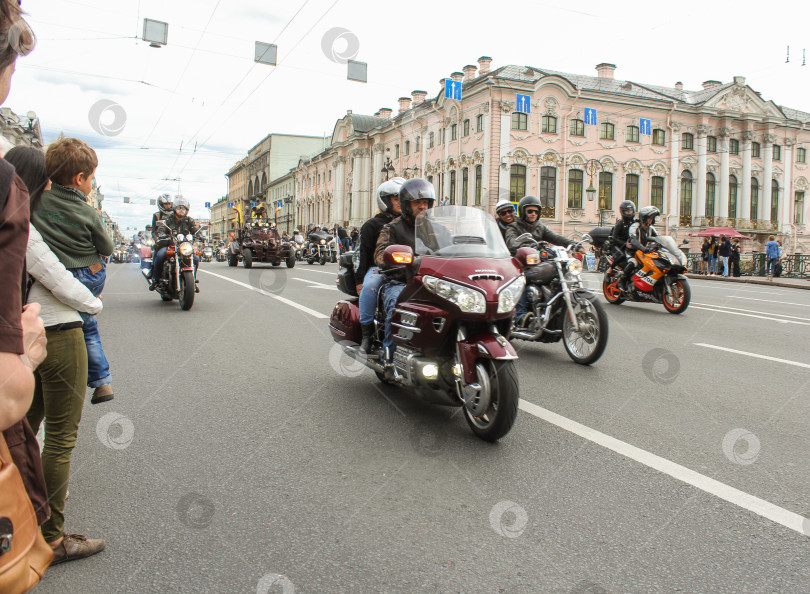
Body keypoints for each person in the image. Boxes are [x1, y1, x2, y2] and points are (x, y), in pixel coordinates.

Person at [14, 145, 107, 564]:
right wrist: (94, 304)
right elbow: (54, 275)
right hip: (57, 330)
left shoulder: (26, 215)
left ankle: (15, 519)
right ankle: (51, 537)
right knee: (60, 439)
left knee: (20, 431)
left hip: (20, 333)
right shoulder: (23, 223)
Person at [31, 137, 116, 405]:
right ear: (80, 179)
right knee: (88, 327)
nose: (92, 184)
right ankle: (102, 383)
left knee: (83, 323)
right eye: (92, 179)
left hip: (55, 273)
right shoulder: (88, 212)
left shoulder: (36, 203)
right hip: (89, 274)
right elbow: (107, 247)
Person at [374, 178, 434, 359]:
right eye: (417, 202)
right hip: (401, 282)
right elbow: (380, 254)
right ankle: (389, 357)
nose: (422, 206)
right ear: (406, 204)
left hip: (431, 282)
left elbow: (452, 247)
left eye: (425, 202)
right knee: (396, 306)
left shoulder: (436, 227)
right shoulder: (392, 227)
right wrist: (398, 258)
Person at [506, 195, 579, 326]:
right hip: (519, 264)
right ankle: (521, 316)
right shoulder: (513, 227)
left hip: (538, 262)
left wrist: (573, 243)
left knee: (558, 272)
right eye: (530, 211)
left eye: (536, 211)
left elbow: (556, 238)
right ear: (523, 212)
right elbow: (511, 243)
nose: (533, 214)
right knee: (522, 280)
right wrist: (526, 245)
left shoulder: (540, 226)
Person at [356, 177, 404, 352]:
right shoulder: (372, 224)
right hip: (378, 269)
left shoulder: (412, 222)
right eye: (396, 198)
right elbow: (363, 254)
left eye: (403, 198)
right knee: (370, 288)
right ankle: (367, 334)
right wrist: (359, 281)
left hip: (407, 269)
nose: (400, 202)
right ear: (385, 201)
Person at [151, 196, 200, 289]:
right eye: (179, 208)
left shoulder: (189, 220)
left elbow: (195, 229)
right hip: (170, 244)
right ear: (175, 209)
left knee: (196, 258)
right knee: (160, 254)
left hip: (184, 246)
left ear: (187, 210)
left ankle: (192, 281)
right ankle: (156, 279)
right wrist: (161, 234)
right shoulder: (169, 219)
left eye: (184, 209)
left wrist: (200, 235)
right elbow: (162, 228)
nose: (181, 211)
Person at [618, 206, 660, 292]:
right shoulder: (635, 226)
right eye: (651, 218)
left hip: (646, 253)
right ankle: (622, 280)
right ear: (644, 217)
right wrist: (642, 248)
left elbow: (659, 238)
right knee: (634, 263)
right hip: (632, 252)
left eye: (653, 218)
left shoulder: (651, 228)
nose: (652, 220)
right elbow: (633, 239)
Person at [610, 200, 636, 275]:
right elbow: (614, 238)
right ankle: (610, 270)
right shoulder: (620, 223)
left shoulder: (634, 223)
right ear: (623, 212)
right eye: (627, 211)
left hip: (630, 246)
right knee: (622, 256)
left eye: (631, 211)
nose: (629, 213)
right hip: (619, 246)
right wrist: (625, 244)